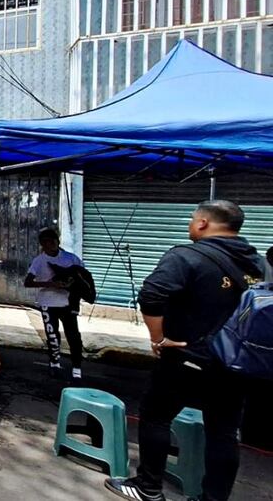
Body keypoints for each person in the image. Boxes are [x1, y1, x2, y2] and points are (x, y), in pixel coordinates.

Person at [105, 200, 265, 501]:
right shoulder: (255, 263)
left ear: (203, 223)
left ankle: (148, 488)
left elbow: (152, 293)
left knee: (156, 416)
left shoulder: (186, 256)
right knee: (224, 433)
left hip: (190, 356)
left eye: (192, 219)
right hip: (237, 363)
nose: (190, 224)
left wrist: (158, 338)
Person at [24, 227, 85, 380]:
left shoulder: (70, 258)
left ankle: (76, 368)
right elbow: (28, 282)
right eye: (45, 243)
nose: (49, 245)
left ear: (57, 241)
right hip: (48, 303)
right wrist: (50, 284)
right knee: (52, 336)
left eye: (52, 241)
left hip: (68, 303)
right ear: (42, 245)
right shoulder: (39, 261)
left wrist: (71, 283)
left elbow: (83, 276)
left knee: (74, 337)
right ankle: (54, 363)